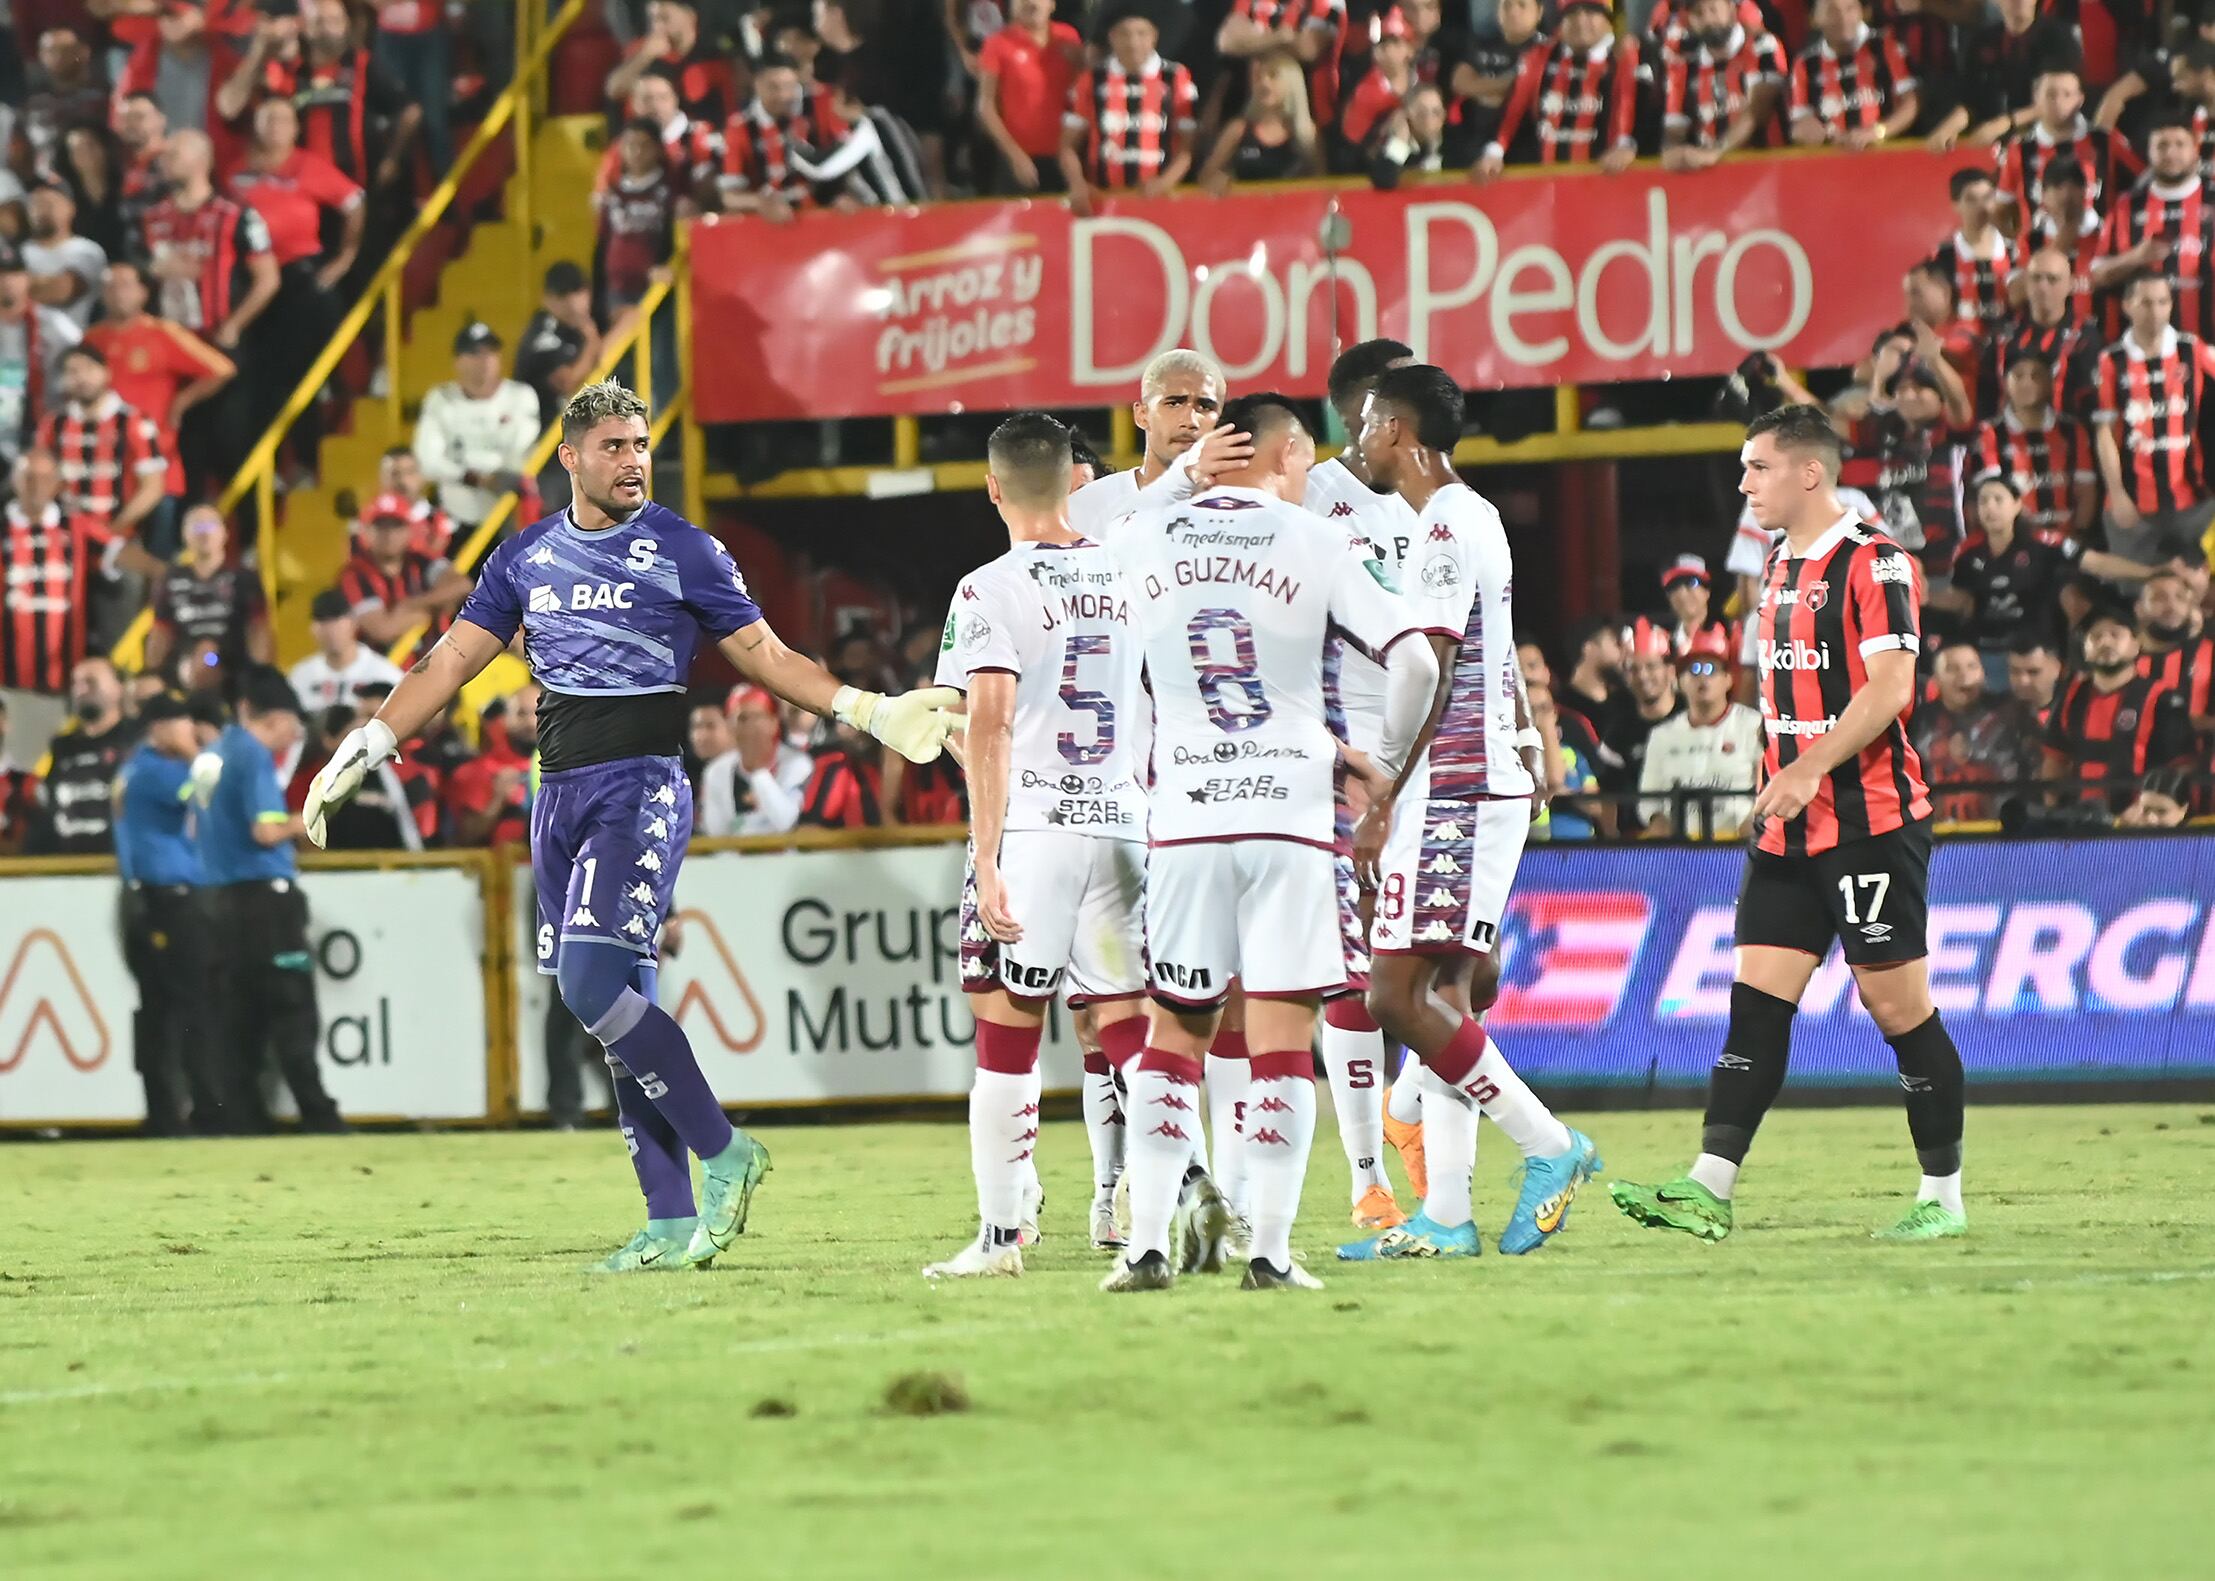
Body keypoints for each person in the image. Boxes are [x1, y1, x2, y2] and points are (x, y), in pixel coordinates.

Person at [300, 379, 962, 1271]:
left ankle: (726, 1151)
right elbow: (449, 657)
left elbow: (764, 655)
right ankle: (667, 1218)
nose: (633, 460)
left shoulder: (684, 550)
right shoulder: (525, 557)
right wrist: (371, 739)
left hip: (640, 787)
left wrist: (869, 710)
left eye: (641, 444)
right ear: (568, 457)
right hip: (558, 795)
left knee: (587, 984)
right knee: (622, 1006)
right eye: (613, 445)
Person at [1106, 391, 1438, 1293]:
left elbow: (1110, 673)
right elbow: (1412, 658)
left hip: (1184, 814)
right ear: (1287, 456)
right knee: (1284, 1036)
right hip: (1290, 816)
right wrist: (1383, 766)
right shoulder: (1318, 541)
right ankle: (1269, 1252)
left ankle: (1143, 1245)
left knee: (1174, 1030)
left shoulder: (1140, 537)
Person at [1611, 403, 1964, 1244]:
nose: (1744, 484)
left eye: (1757, 467)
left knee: (1896, 1008)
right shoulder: (1773, 564)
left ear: (1810, 472)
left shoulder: (1874, 564)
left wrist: (1809, 767)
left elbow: (1889, 690)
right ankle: (1708, 1185)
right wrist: (1781, 774)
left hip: (1867, 822)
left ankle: (1941, 1195)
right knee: (1755, 1007)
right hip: (1787, 828)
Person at [1339, 364, 1597, 1264]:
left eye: (1367, 421)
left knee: (1393, 994)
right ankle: (1445, 1214)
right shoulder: (1461, 517)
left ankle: (1550, 1146)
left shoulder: (1445, 524)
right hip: (1469, 783)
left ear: (1401, 430)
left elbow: (1435, 669)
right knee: (1444, 994)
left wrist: (1380, 798)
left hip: (1452, 786)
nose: (1356, 437)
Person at [919, 414, 1147, 1278]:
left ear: (993, 487)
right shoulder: (1130, 575)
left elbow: (989, 724)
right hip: (1124, 824)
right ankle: (1188, 1198)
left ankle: (1000, 1237)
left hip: (1037, 828)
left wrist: (984, 858)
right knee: (1127, 1023)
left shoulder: (987, 587)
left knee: (1006, 1032)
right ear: (1072, 482)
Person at [1304, 338, 1423, 1232]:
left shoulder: (1439, 502)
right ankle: (1365, 1177)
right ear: (1360, 413)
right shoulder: (1310, 500)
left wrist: (1522, 725)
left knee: (1467, 972)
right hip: (1351, 778)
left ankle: (1409, 1104)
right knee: (1353, 979)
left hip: (1440, 767)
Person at [201, 667, 345, 1133]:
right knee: (291, 1008)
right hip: (266, 902)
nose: (297, 732)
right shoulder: (254, 756)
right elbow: (265, 831)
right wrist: (309, 820)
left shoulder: (215, 753)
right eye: (292, 722)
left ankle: (243, 1118)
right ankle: (319, 1116)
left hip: (222, 901)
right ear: (277, 718)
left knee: (240, 1015)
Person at [115, 690, 222, 1135]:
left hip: (157, 897)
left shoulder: (136, 769)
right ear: (158, 729)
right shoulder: (150, 771)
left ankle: (167, 1109)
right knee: (185, 1006)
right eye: (179, 724)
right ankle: (194, 1110)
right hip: (165, 900)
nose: (188, 732)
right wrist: (198, 752)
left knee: (164, 1008)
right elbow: (206, 788)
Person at [82, 261, 236, 515]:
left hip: (156, 462)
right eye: (110, 287)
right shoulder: (91, 339)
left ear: (144, 292)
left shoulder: (163, 333)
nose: (118, 293)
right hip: (104, 466)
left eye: (126, 285)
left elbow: (221, 369)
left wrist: (181, 402)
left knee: (158, 547)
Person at [2093, 275, 2215, 579]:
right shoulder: (2111, 361)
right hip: (2133, 505)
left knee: (2198, 587)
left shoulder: (2191, 348)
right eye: (2146, 302)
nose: (2156, 311)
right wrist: (2117, 493)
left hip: (2193, 500)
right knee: (2139, 591)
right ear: (2127, 306)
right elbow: (2104, 432)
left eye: (2163, 302)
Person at [1065, 347, 1248, 538]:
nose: (1190, 421)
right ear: (1142, 415)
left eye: (1204, 406)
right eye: (1173, 403)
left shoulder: (1245, 515)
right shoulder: (1086, 508)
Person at [0, 448, 108, 766]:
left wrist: (167, 573)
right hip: (8, 683)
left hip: (63, 680)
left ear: (59, 484)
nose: (36, 485)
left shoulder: (76, 527)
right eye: (28, 477)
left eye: (46, 478)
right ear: (13, 480)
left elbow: (119, 552)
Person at [2045, 606, 2195, 808]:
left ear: (2136, 644)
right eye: (2096, 637)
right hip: (2078, 823)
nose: (2105, 642)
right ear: (2085, 651)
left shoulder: (2162, 698)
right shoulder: (2070, 697)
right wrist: (2053, 809)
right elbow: (2055, 760)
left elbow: (2180, 767)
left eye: (2115, 635)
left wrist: (2151, 813)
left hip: (2140, 824)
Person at [1476, 0, 1641, 176]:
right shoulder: (1539, 56)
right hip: (1547, 182)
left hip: (1607, 181)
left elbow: (1632, 106)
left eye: (1591, 12)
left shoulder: (1628, 56)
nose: (1580, 20)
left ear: (1608, 20)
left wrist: (1625, 145)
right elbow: (1514, 109)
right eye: (1572, 13)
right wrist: (1494, 152)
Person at [1059, 9, 1198, 216]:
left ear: (1154, 37)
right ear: (1112, 38)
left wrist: (1166, 182)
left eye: (1141, 33)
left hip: (1159, 198)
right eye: (1124, 34)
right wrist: (1078, 184)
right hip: (1103, 199)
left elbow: (1188, 145)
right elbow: (1067, 145)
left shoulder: (1176, 77)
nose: (1133, 42)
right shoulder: (1091, 79)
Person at [412, 322, 543, 534]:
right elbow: (427, 461)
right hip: (456, 520)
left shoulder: (520, 396)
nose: (484, 361)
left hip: (509, 514)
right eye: (474, 353)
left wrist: (479, 473)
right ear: (458, 361)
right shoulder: (441, 399)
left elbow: (521, 455)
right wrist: (473, 477)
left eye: (490, 353)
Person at [1637, 629, 1763, 837]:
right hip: (1678, 842)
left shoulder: (1753, 725)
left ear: (1728, 679)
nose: (1702, 677)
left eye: (1711, 669)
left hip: (1737, 839)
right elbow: (1649, 798)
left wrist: (1753, 821)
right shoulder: (1661, 735)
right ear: (1679, 682)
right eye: (1693, 670)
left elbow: (1767, 787)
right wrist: (1658, 820)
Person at [1964, 351, 2097, 545]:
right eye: (2018, 376)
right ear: (2005, 383)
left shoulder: (2073, 431)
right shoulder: (1988, 433)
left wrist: (2078, 536)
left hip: (2066, 542)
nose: (2027, 383)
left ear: (2050, 383)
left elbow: (2086, 491)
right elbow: (1989, 495)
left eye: (2036, 376)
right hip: (2012, 545)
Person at [1910, 638, 2045, 820]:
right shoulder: (1919, 722)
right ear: (1936, 681)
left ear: (1983, 673)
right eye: (1952, 669)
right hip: (1937, 832)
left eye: (1972, 666)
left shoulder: (2011, 714)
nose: (1964, 675)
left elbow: (2037, 769)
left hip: (2007, 831)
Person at [337, 493, 471, 658]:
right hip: (383, 672)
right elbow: (382, 630)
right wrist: (435, 607)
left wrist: (410, 605)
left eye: (396, 526)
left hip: (435, 663)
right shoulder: (355, 574)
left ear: (409, 530)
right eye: (381, 527)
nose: (389, 535)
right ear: (367, 532)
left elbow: (463, 585)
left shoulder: (419, 560)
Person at [27, 654, 137, 855]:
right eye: (76, 683)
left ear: (118, 688)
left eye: (91, 682)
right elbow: (50, 808)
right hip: (72, 867)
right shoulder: (63, 747)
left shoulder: (136, 741)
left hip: (121, 863)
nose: (81, 690)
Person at [146, 505, 273, 677]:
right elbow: (161, 630)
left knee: (210, 658)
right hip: (183, 666)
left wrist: (261, 673)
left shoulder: (244, 577)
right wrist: (151, 673)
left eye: (211, 526)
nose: (204, 533)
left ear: (225, 533)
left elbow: (258, 628)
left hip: (234, 667)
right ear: (184, 534)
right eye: (197, 527)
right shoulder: (171, 578)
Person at [1659, 0, 1788, 167]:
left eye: (1713, 9)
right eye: (1698, 13)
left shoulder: (1762, 45)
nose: (1708, 19)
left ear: (1731, 9)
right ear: (1689, 20)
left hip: (1766, 167)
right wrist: (1673, 152)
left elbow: (1758, 110)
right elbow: (1675, 126)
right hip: (1707, 172)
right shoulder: (1684, 65)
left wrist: (1718, 151)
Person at [974, 0, 1082, 195]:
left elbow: (1083, 92)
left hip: (1066, 156)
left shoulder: (1068, 36)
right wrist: (1014, 156)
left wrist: (1080, 62)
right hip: (1020, 158)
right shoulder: (997, 43)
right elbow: (985, 106)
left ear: (1052, 5)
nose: (1031, 3)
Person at [1786, 0, 1918, 150]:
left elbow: (1912, 103)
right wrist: (1805, 131)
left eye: (1850, 8)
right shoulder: (1805, 64)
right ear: (1814, 19)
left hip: (1888, 155)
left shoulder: (1887, 45)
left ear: (1863, 12)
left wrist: (1878, 132)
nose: (1843, 18)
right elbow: (1799, 124)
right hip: (1834, 161)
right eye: (1832, 11)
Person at [0, 238, 83, 476]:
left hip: (43, 425)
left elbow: (86, 359)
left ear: (27, 279)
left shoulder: (54, 324)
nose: (7, 283)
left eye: (14, 274)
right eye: (1, 275)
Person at [1198, 55, 1323, 193]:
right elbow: (1207, 174)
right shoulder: (1239, 129)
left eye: (1273, 76)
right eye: (1259, 77)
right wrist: (1219, 179)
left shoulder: (1307, 132)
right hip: (1246, 210)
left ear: (1291, 83)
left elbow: (1321, 180)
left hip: (1292, 211)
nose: (1264, 83)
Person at [698, 683, 810, 836]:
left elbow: (786, 823)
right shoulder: (716, 771)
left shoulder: (798, 764)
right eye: (736, 719)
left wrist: (758, 772)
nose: (746, 727)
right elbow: (716, 834)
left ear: (774, 722)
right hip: (734, 858)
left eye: (752, 718)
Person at [514, 261, 603, 430]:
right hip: (544, 435)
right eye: (562, 295)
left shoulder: (581, 325)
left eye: (578, 292)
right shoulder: (542, 333)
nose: (572, 302)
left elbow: (633, 316)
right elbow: (566, 382)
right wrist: (592, 342)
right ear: (546, 299)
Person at [444, 684, 537, 846]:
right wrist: (497, 800)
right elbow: (464, 839)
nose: (530, 723)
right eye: (521, 713)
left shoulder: (570, 765)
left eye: (538, 713)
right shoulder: (478, 771)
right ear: (505, 718)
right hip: (500, 868)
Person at [289, 585, 403, 711]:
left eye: (337, 620)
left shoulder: (384, 673)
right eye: (323, 621)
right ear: (313, 628)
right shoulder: (301, 676)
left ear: (353, 622)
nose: (331, 630)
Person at [1606, 616, 1684, 794]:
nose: (1642, 676)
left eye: (1651, 666)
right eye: (1633, 669)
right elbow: (1611, 797)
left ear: (1670, 670)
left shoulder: (1694, 717)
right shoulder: (1618, 733)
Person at [22, 177, 108, 332]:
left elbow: (60, 291)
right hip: (24, 345)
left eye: (50, 204)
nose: (42, 210)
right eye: (36, 204)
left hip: (71, 345)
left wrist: (14, 287)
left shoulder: (86, 251)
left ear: (71, 208)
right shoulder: (17, 251)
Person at [2134, 567, 2215, 730]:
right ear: (2140, 609)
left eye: (2180, 597)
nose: (2171, 606)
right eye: (2158, 598)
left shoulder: (2209, 648)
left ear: (2191, 604)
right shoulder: (2122, 657)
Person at [1661, 554, 1730, 655]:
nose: (1682, 593)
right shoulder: (1664, 645)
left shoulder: (1730, 634)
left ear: (1707, 591)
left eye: (1691, 583)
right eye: (1674, 586)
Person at [2008, 631, 2063, 720]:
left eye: (2033, 672)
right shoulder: (2001, 717)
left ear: (2056, 669)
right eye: (2015, 671)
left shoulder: (2073, 714)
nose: (2023, 681)